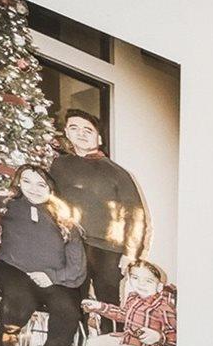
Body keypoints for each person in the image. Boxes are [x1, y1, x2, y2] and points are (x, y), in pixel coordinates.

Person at [0, 164, 86, 346]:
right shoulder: (4, 205)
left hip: (52, 276)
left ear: (50, 188)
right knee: (20, 296)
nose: (33, 188)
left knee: (68, 308)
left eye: (41, 184)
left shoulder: (65, 219)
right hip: (12, 268)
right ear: (18, 183)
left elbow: (77, 267)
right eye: (27, 181)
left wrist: (52, 276)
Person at [49, 111, 147, 306]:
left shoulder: (117, 172)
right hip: (72, 245)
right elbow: (50, 201)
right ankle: (82, 338)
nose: (81, 133)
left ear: (99, 138)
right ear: (67, 132)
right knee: (72, 302)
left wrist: (130, 253)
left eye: (88, 130)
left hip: (109, 250)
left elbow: (135, 214)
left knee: (108, 304)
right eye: (75, 128)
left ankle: (109, 336)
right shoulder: (58, 165)